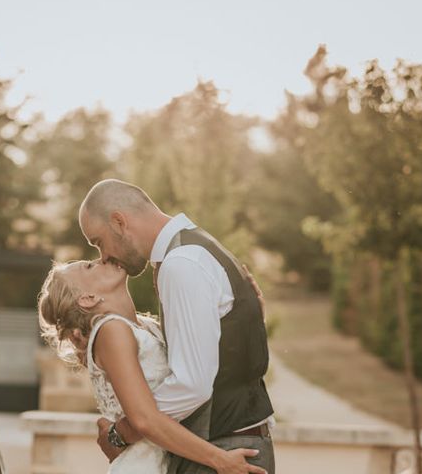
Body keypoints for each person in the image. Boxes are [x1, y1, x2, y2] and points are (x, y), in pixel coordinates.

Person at [78, 179, 275, 474]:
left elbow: (191, 385)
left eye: (98, 242)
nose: (103, 256)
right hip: (232, 445)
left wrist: (123, 433)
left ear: (119, 222)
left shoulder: (181, 263)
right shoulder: (196, 249)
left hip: (222, 451)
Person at [38, 258, 266, 473]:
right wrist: (220, 459)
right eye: (89, 266)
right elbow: (145, 419)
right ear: (87, 298)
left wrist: (251, 311)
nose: (102, 259)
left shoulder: (146, 326)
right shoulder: (111, 330)